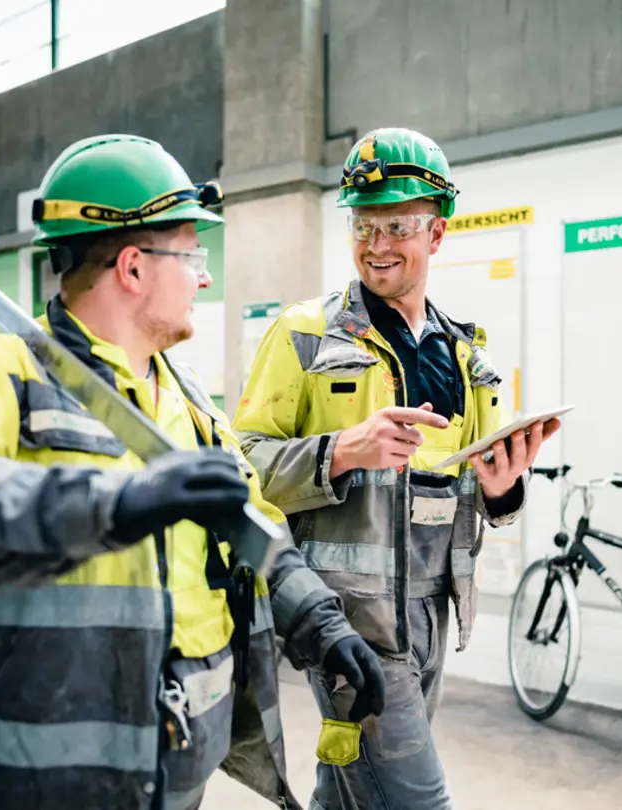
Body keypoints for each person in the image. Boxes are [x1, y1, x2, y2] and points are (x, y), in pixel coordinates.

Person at [0, 134, 386, 810]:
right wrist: (113, 501)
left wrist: (323, 625)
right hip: (23, 784)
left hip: (166, 777)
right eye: (193, 255)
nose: (205, 276)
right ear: (134, 267)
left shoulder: (191, 404)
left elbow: (253, 529)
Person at [232, 127, 560, 809]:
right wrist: (340, 451)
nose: (376, 244)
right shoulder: (304, 335)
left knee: (352, 792)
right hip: (346, 620)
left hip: (429, 619)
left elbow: (473, 485)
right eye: (363, 224)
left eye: (397, 226)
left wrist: (501, 491)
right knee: (416, 801)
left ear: (436, 235)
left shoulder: (466, 355)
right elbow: (240, 470)